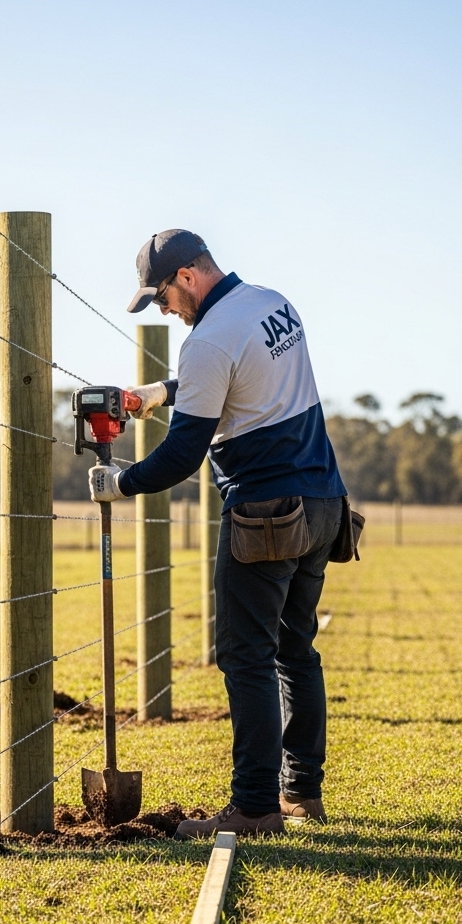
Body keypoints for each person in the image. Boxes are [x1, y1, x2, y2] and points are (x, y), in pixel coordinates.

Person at [89, 229, 347, 838]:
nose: (164, 312)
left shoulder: (205, 340)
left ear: (185, 277)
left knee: (246, 657)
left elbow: (183, 453)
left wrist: (120, 484)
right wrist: (162, 394)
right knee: (294, 648)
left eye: (161, 298)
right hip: (324, 503)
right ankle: (300, 793)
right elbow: (240, 377)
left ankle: (255, 808)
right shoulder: (271, 303)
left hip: (265, 515)